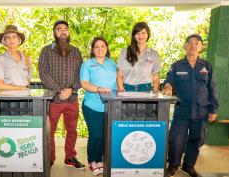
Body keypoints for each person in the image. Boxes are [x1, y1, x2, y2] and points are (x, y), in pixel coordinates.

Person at [162, 34, 219, 177]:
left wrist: (214, 109)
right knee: (176, 140)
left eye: (196, 43)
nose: (193, 45)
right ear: (185, 46)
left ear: (201, 47)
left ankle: (188, 166)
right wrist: (168, 87)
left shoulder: (206, 66)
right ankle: (173, 165)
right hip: (182, 110)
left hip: (201, 111)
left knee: (197, 140)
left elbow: (212, 89)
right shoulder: (176, 66)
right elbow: (169, 80)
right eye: (190, 43)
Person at [38, 20, 85, 169]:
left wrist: (71, 89)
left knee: (72, 130)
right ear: (54, 32)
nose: (63, 32)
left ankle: (70, 157)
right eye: (59, 29)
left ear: (69, 32)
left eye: (65, 29)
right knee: (49, 131)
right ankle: (50, 158)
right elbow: (43, 73)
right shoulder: (46, 50)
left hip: (72, 99)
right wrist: (59, 89)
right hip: (53, 99)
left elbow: (81, 74)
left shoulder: (76, 51)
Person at [80, 37, 117, 175]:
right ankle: (92, 160)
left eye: (103, 46)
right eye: (97, 47)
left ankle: (100, 160)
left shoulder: (112, 64)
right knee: (95, 135)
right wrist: (99, 88)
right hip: (92, 105)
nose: (100, 49)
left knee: (104, 135)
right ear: (93, 50)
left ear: (107, 48)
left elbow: (119, 81)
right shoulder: (88, 64)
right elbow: (84, 83)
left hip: (110, 106)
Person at [117, 22, 161, 92]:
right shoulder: (125, 52)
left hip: (146, 89)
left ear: (148, 35)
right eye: (138, 33)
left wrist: (155, 93)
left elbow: (155, 77)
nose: (141, 36)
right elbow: (119, 75)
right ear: (134, 35)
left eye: (143, 33)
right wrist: (121, 90)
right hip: (127, 89)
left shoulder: (154, 54)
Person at [0, 25, 31, 90]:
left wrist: (26, 90)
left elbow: (28, 81)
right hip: (8, 98)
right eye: (8, 37)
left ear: (18, 40)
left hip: (26, 97)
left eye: (14, 37)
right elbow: (0, 86)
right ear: (5, 41)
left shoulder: (27, 59)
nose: (11, 40)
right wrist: (22, 88)